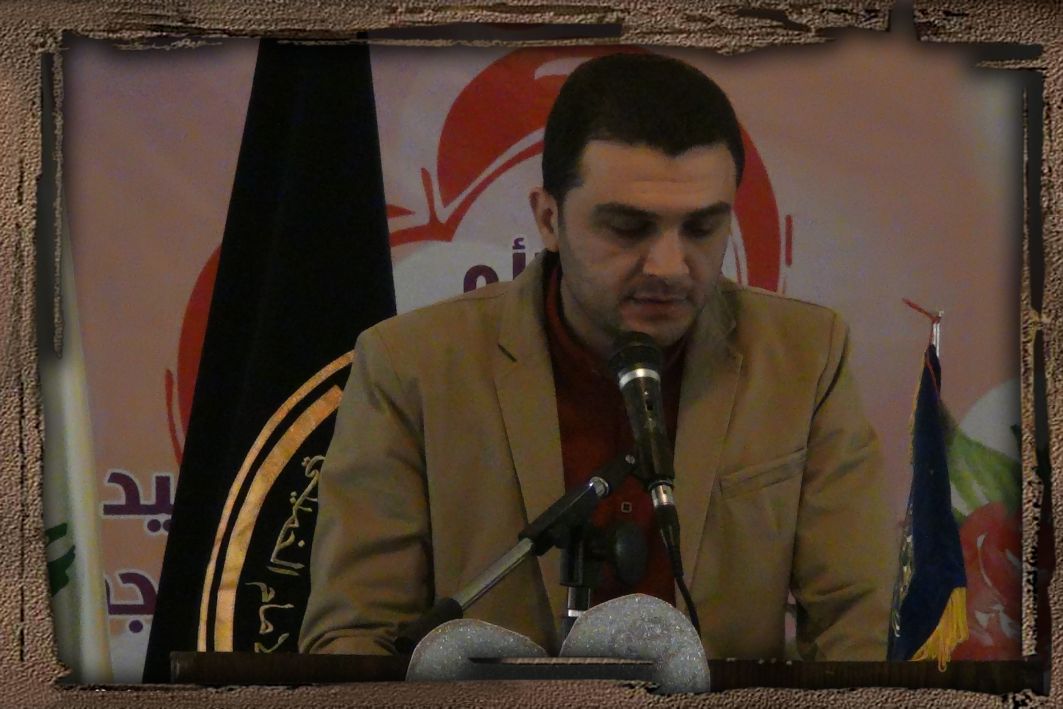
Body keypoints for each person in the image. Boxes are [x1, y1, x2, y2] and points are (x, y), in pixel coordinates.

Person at [298, 51, 898, 661]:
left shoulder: (805, 357)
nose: (669, 266)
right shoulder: (410, 366)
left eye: (701, 229)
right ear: (548, 219)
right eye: (628, 228)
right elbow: (356, 638)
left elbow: (860, 625)